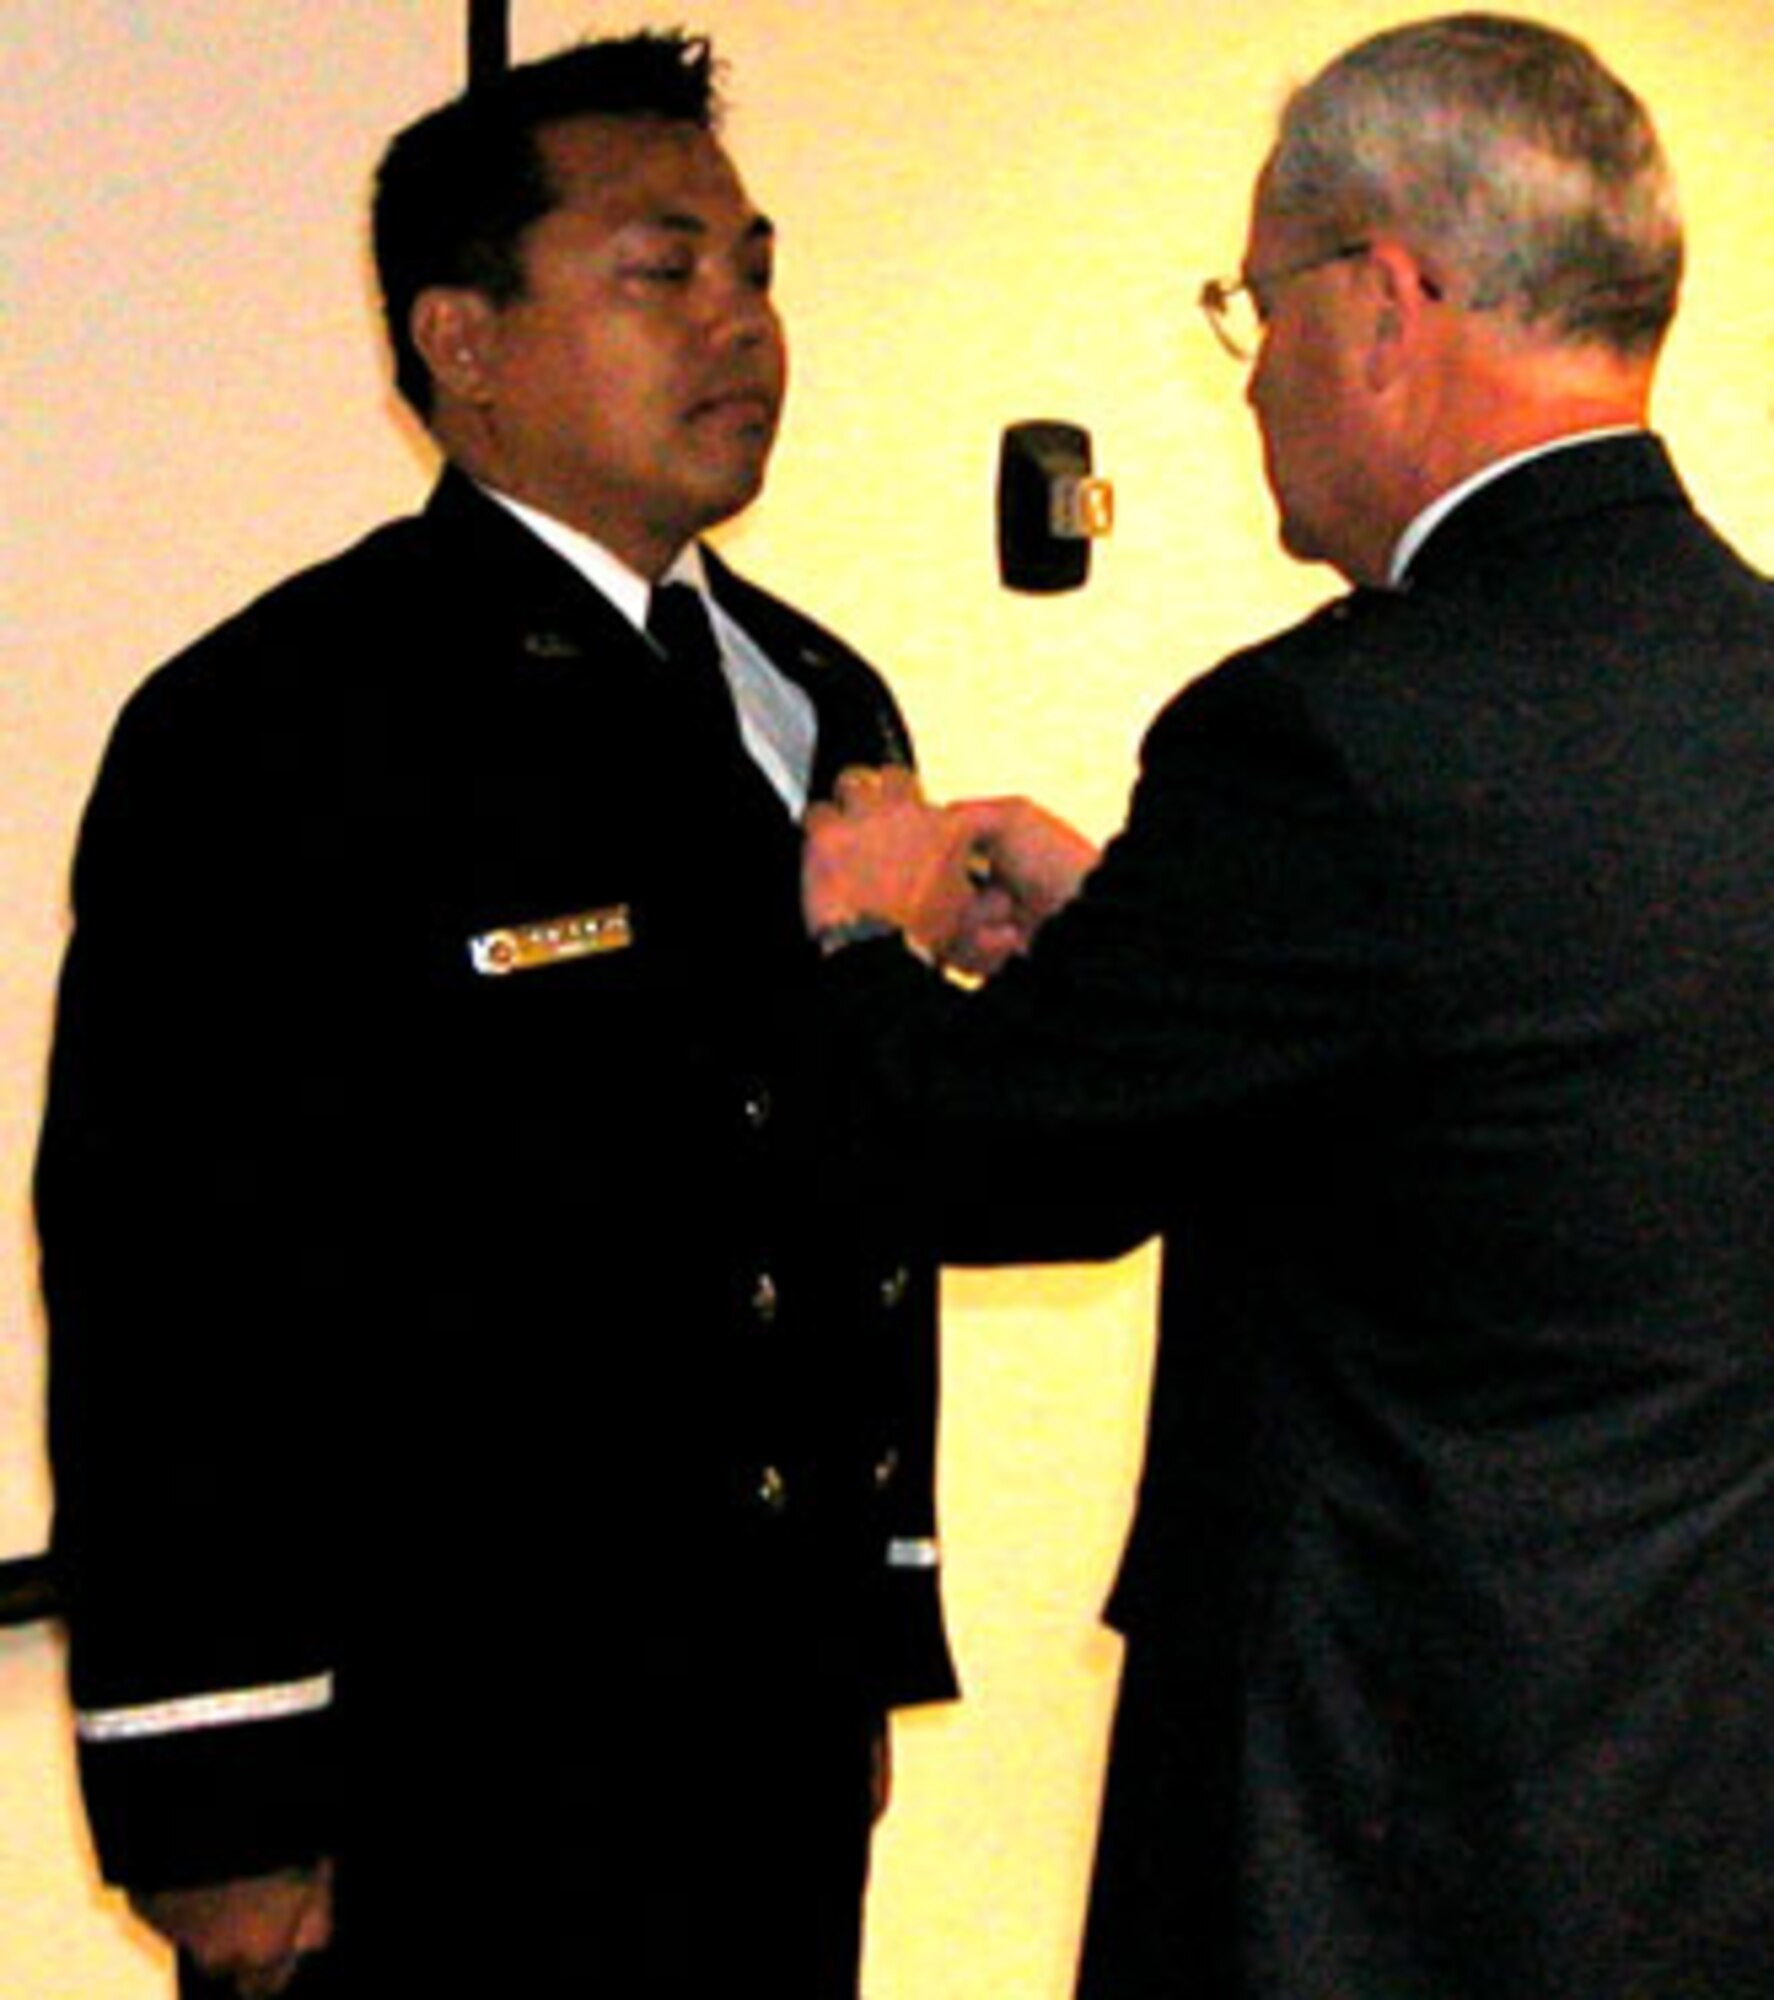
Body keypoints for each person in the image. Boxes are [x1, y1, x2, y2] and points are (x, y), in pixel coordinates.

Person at [800, 14, 1774, 1998]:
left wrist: (855, 924)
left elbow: (993, 1160)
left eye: (1254, 311)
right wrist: (1135, 946)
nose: (1250, 386)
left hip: (1382, 1815)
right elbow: (1489, 1078)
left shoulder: (1328, 735)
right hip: (1698, 1784)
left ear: (1386, 301)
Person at [36, 32, 954, 1999]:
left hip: (761, 1723)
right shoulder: (283, 723)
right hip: (440, 1748)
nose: (743, 322)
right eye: (662, 267)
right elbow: (171, 1269)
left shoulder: (816, 694)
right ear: (461, 339)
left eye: (758, 264)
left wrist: (870, 1614)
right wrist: (213, 1786)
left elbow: (847, 1198)